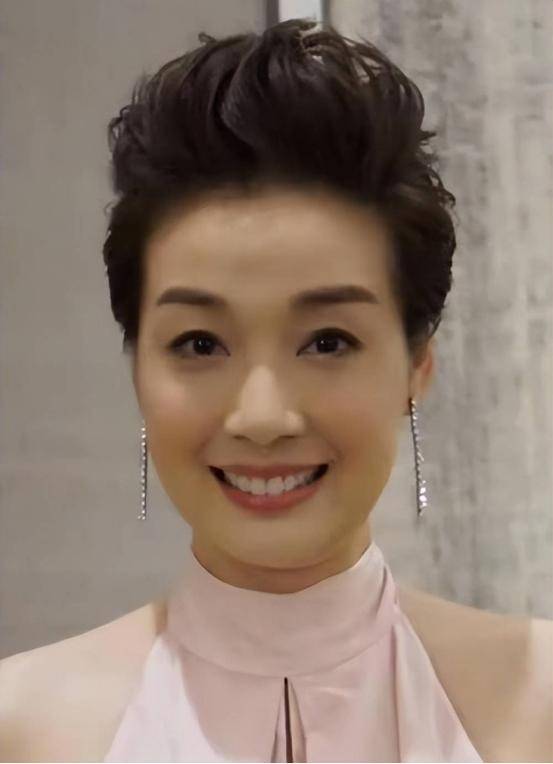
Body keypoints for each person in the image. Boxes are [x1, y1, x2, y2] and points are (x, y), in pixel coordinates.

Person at [1, 17, 551, 764]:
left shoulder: (538, 702)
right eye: (200, 344)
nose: (262, 417)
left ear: (416, 367)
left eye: (328, 342)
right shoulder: (22, 728)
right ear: (139, 371)